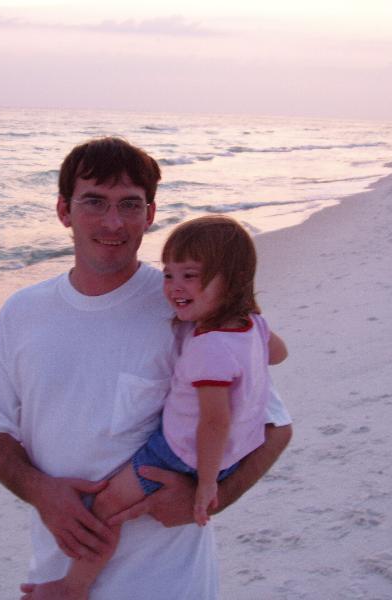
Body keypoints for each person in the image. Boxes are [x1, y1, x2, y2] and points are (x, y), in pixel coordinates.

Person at [0, 137, 293, 599]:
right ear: (64, 210)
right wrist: (39, 490)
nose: (113, 222)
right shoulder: (22, 312)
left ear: (150, 214)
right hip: (57, 580)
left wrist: (206, 500)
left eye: (130, 204)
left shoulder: (187, 310)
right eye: (94, 202)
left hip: (170, 583)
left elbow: (275, 428)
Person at [24, 215, 288, 598]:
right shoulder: (253, 326)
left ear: (231, 281)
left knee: (106, 506)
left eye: (190, 276)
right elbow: (278, 354)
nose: (174, 287)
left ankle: (73, 586)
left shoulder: (208, 348)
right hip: (234, 452)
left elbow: (214, 422)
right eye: (168, 274)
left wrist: (206, 485)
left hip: (180, 453)